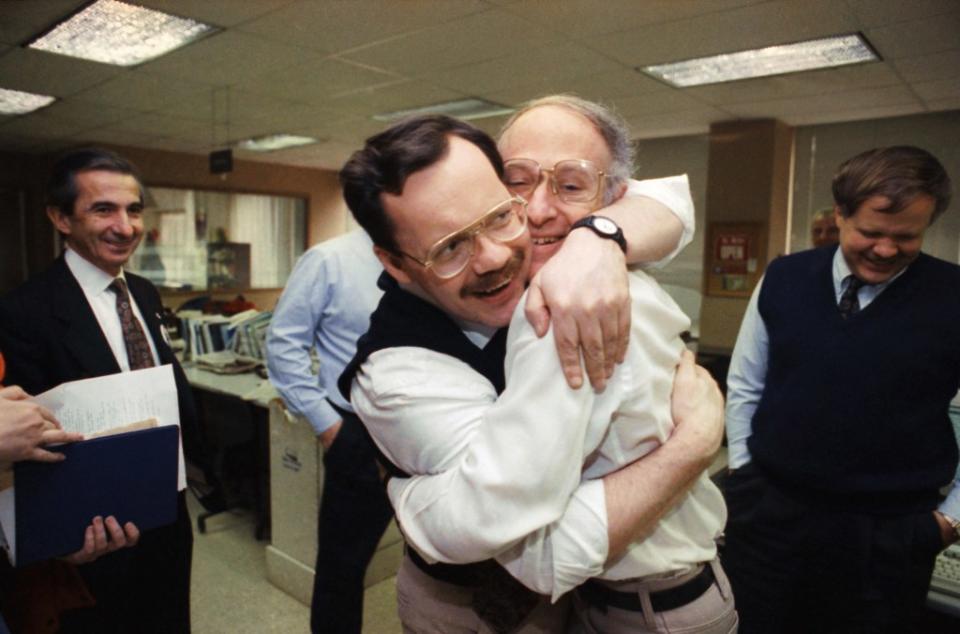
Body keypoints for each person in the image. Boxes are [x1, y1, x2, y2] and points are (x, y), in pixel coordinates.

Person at [266, 95, 696, 633]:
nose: (495, 257)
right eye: (449, 249)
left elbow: (667, 200)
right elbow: (541, 555)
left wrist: (600, 235)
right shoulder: (396, 374)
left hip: (580, 603)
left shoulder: (572, 270)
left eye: (499, 216)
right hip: (464, 607)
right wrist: (696, 443)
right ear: (396, 264)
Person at [723, 145, 959, 634]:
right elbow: (747, 383)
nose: (887, 249)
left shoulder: (952, 295)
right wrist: (745, 474)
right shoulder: (784, 276)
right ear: (841, 215)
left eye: (907, 237)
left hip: (888, 536)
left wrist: (948, 521)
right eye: (871, 232)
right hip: (770, 519)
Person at [0, 147, 208, 633]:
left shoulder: (144, 291)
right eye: (103, 209)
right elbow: (23, 440)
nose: (126, 226)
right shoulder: (23, 311)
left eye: (133, 210)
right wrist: (58, 534)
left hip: (168, 505)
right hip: (92, 527)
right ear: (61, 218)